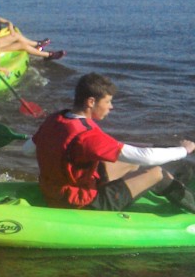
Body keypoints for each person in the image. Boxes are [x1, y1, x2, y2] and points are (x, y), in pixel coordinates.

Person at [26, 73, 195, 214]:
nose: (111, 107)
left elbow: (27, 149)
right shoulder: (87, 136)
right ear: (91, 102)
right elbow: (148, 157)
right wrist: (184, 150)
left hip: (53, 191)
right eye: (107, 102)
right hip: (82, 203)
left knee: (131, 163)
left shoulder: (55, 119)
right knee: (158, 173)